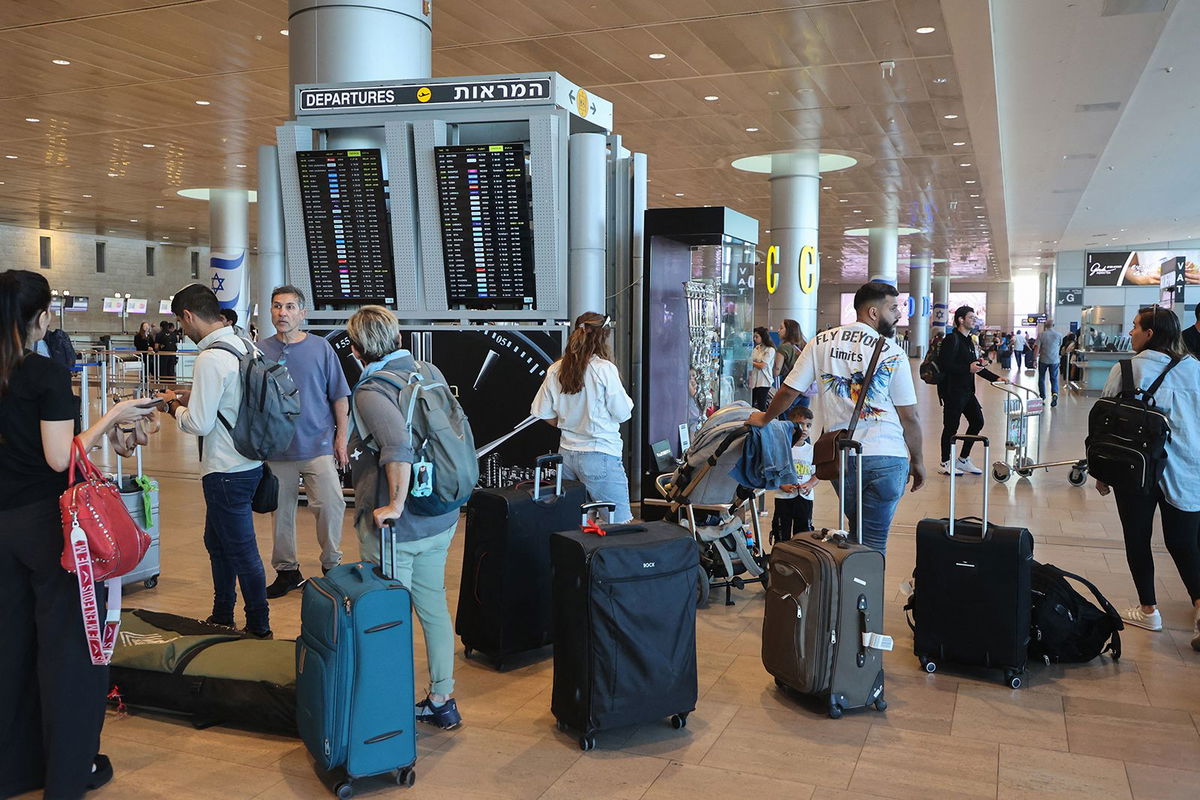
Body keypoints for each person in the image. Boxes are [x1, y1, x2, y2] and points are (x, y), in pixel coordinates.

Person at [0, 270, 158, 798]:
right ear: (42, 318)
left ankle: (16, 769)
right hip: (47, 528)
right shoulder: (44, 376)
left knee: (13, 647)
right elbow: (59, 457)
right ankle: (68, 774)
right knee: (69, 651)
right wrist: (111, 416)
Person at [345, 306, 463, 729]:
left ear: (358, 349)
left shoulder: (372, 391)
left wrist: (393, 504)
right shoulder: (424, 369)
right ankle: (442, 698)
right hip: (440, 515)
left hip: (401, 528)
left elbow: (397, 447)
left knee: (388, 615)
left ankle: (385, 704)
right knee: (432, 606)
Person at [749, 281, 926, 555]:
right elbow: (910, 416)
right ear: (873, 312)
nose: (899, 314)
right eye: (893, 308)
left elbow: (788, 390)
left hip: (840, 458)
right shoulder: (892, 352)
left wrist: (765, 418)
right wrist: (918, 460)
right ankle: (863, 594)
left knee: (858, 534)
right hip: (886, 456)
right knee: (872, 544)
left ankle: (851, 593)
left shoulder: (820, 342)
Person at [159, 285, 270, 638]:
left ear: (188, 316)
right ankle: (222, 613)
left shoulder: (209, 358)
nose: (183, 329)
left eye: (181, 321)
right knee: (217, 541)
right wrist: (196, 397)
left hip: (225, 470)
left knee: (241, 550)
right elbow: (235, 399)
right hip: (250, 462)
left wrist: (171, 406)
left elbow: (199, 423)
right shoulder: (243, 343)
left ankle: (259, 625)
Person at [1094, 307, 1200, 650]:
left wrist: (1102, 472)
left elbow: (1104, 423)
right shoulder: (1195, 370)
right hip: (1186, 470)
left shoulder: (1126, 369)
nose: (1131, 332)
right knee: (1185, 544)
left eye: (1136, 327)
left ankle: (1148, 609)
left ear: (1150, 333)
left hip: (1134, 469)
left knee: (1137, 537)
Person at [257, 286, 350, 597]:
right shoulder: (260, 351)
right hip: (277, 449)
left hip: (318, 445)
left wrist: (341, 438)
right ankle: (287, 571)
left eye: (290, 307)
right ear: (270, 312)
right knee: (280, 512)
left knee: (331, 504)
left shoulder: (321, 349)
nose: (282, 313)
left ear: (302, 313)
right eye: (277, 306)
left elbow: (339, 397)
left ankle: (332, 565)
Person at [531, 312, 635, 523]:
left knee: (574, 524)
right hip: (600, 455)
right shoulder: (604, 370)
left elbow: (542, 412)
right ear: (604, 336)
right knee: (617, 526)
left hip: (567, 456)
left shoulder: (555, 369)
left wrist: (567, 424)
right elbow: (623, 413)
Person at [935, 305, 1003, 476]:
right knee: (951, 427)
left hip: (967, 391)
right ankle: (945, 462)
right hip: (952, 391)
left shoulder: (970, 341)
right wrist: (967, 368)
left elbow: (976, 367)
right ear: (960, 319)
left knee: (977, 422)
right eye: (971, 317)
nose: (974, 320)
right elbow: (945, 365)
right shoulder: (952, 340)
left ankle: (963, 459)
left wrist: (996, 378)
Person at [770, 405, 817, 544]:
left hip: (805, 498)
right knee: (781, 530)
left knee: (803, 532)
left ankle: (800, 557)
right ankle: (780, 556)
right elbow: (773, 471)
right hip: (783, 497)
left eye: (808, 425)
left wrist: (810, 484)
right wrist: (781, 484)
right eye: (801, 424)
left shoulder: (812, 450)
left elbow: (817, 473)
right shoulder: (782, 448)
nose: (805, 429)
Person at [774, 319, 809, 411]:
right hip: (805, 388)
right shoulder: (804, 345)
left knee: (786, 418)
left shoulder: (783, 348)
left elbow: (776, 371)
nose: (778, 330)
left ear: (789, 331)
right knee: (802, 418)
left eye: (781, 328)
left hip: (790, 388)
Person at [1036, 319, 1064, 406]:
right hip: (1055, 360)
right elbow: (1059, 345)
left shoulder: (1041, 335)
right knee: (1054, 378)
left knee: (1041, 378)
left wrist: (1034, 359)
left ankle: (1042, 397)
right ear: (1053, 325)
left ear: (1045, 325)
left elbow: (1037, 348)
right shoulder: (1059, 335)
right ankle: (1054, 394)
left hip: (1043, 360)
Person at [748, 326, 775, 412]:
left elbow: (762, 365)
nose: (755, 339)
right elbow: (753, 360)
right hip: (754, 380)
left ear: (763, 337)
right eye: (754, 337)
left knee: (761, 405)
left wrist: (752, 363)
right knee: (751, 404)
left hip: (764, 381)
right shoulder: (756, 348)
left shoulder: (770, 350)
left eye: (757, 336)